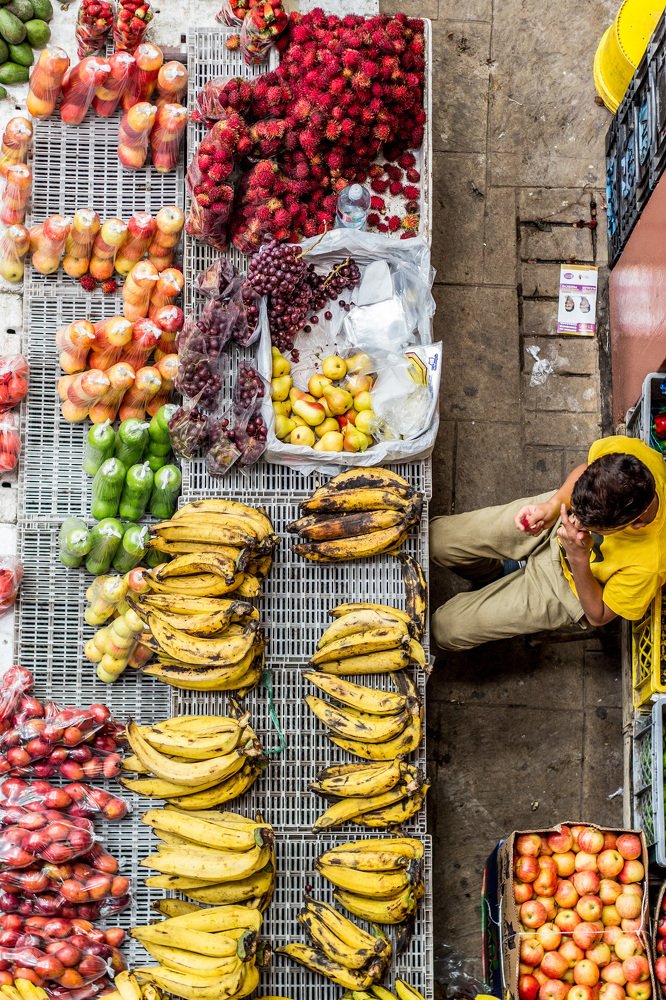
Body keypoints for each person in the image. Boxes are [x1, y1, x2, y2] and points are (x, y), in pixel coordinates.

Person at [430, 435, 666, 651]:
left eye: (589, 526)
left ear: (635, 524)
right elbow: (585, 469)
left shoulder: (650, 564)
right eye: (577, 515)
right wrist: (553, 507)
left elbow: (599, 615)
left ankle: (501, 586)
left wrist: (578, 559)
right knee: (436, 538)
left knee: (445, 628)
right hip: (552, 522)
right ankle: (493, 576)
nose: (573, 522)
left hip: (568, 587)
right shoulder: (631, 459)